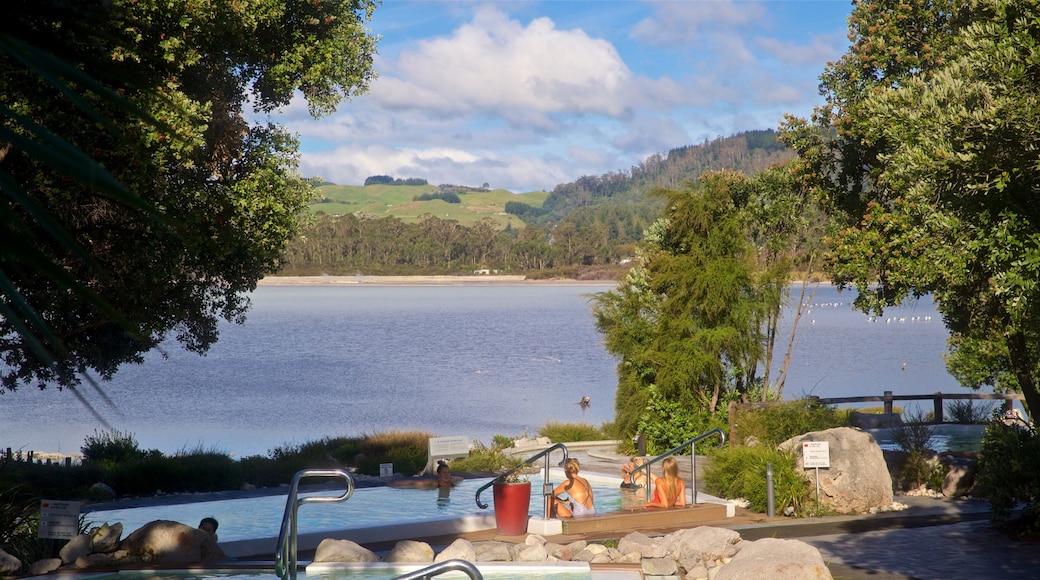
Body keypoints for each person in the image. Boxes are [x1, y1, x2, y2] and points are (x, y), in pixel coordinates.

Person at [389, 461, 463, 489]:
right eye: (444, 473)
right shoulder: (434, 483)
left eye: (448, 472)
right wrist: (395, 484)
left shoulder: (452, 481)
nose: (447, 475)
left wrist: (453, 478)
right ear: (438, 474)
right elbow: (413, 482)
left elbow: (461, 479)